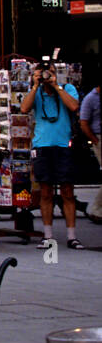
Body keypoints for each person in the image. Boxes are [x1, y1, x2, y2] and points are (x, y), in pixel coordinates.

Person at [20, 62, 80, 249]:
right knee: (45, 192)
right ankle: (48, 236)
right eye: (44, 73)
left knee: (67, 192)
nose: (47, 76)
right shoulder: (36, 91)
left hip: (63, 145)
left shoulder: (67, 88)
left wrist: (55, 86)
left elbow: (74, 106)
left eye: (51, 72)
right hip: (42, 146)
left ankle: (72, 236)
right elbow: (24, 108)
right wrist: (36, 84)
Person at [80, 82, 102, 223]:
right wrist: (95, 140)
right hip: (99, 137)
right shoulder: (91, 98)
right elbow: (84, 122)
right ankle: (97, 210)